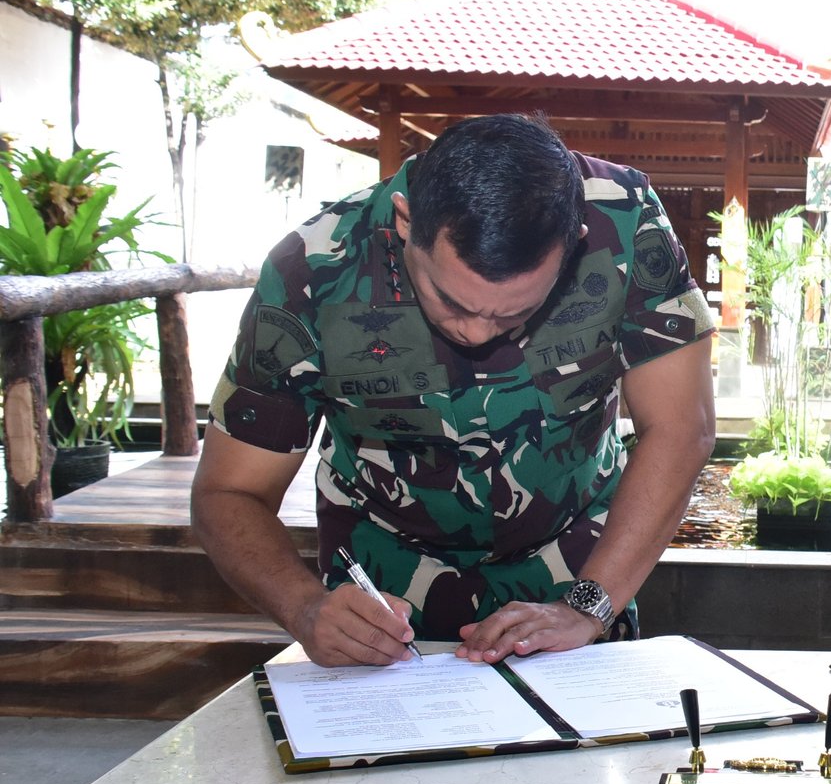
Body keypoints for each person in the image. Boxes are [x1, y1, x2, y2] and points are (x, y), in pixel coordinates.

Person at [192, 113, 716, 668]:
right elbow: (229, 493)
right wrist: (304, 608)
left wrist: (589, 606)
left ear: (575, 243)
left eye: (515, 312)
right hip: (383, 603)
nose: (477, 333)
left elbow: (681, 428)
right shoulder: (314, 268)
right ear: (405, 221)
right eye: (450, 301)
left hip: (579, 573)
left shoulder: (623, 221)